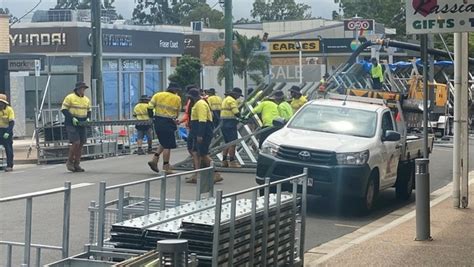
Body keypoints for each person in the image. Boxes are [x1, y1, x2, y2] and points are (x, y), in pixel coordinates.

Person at [186, 88, 223, 184]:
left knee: (203, 153)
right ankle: (197, 174)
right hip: (197, 130)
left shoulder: (200, 104)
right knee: (195, 152)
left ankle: (216, 173)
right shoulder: (199, 103)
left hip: (203, 131)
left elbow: (202, 120)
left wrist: (200, 134)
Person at [147, 82, 182, 174]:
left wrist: (151, 117)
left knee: (163, 141)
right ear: (175, 90)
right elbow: (177, 112)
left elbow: (150, 107)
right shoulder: (177, 98)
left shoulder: (158, 95)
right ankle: (166, 167)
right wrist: (175, 118)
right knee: (168, 145)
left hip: (158, 121)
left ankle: (154, 160)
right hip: (169, 122)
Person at [61, 82, 91, 172]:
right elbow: (64, 109)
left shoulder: (86, 99)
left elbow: (89, 110)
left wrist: (88, 118)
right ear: (77, 89)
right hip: (71, 123)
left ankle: (77, 164)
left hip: (82, 123)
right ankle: (70, 161)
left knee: (81, 143)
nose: (83, 90)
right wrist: (72, 118)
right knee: (76, 142)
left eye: (84, 89)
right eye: (81, 88)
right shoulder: (70, 97)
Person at [221, 87, 244, 168]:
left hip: (224, 123)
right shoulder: (232, 100)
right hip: (230, 124)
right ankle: (232, 161)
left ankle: (224, 161)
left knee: (227, 142)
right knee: (233, 143)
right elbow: (236, 112)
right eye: (238, 95)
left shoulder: (226, 99)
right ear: (235, 94)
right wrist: (242, 118)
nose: (238, 97)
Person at [0, 94, 14, 172]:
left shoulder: (9, 110)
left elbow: (11, 123)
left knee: (8, 147)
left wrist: (8, 132)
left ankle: (9, 165)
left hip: (7, 130)